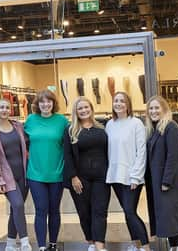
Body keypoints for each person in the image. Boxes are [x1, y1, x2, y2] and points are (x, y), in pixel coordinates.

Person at [24, 89, 69, 251]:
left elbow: (69, 146)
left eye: (48, 101)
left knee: (54, 210)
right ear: (37, 104)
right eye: (42, 101)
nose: (45, 104)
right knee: (41, 209)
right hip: (35, 174)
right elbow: (21, 142)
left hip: (57, 172)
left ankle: (53, 244)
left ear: (53, 103)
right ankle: (42, 246)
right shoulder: (30, 120)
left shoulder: (62, 121)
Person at [63, 97, 110, 251]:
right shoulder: (70, 130)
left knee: (100, 211)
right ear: (76, 112)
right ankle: (90, 242)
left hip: (101, 177)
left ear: (91, 108)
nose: (83, 110)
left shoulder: (102, 127)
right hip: (80, 178)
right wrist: (73, 177)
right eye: (80, 108)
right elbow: (67, 155)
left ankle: (100, 245)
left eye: (86, 107)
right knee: (84, 212)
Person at [0, 99, 32, 251]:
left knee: (16, 209)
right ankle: (24, 242)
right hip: (7, 176)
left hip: (23, 175)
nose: (4, 110)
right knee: (18, 205)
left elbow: (27, 143)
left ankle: (10, 244)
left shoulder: (18, 126)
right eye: (1, 107)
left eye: (7, 107)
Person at [105, 92, 150, 251]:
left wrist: (136, 177)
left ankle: (145, 246)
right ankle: (135, 245)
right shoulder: (110, 124)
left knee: (130, 212)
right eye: (116, 101)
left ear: (128, 104)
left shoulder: (136, 123)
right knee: (127, 212)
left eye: (122, 101)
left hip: (132, 177)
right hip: (115, 176)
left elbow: (141, 152)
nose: (118, 104)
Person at [144, 96, 178, 251]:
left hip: (169, 182)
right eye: (151, 108)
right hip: (157, 181)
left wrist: (166, 181)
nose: (154, 111)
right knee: (167, 216)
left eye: (157, 108)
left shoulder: (171, 127)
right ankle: (174, 246)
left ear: (164, 109)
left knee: (172, 215)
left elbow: (173, 157)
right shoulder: (154, 129)